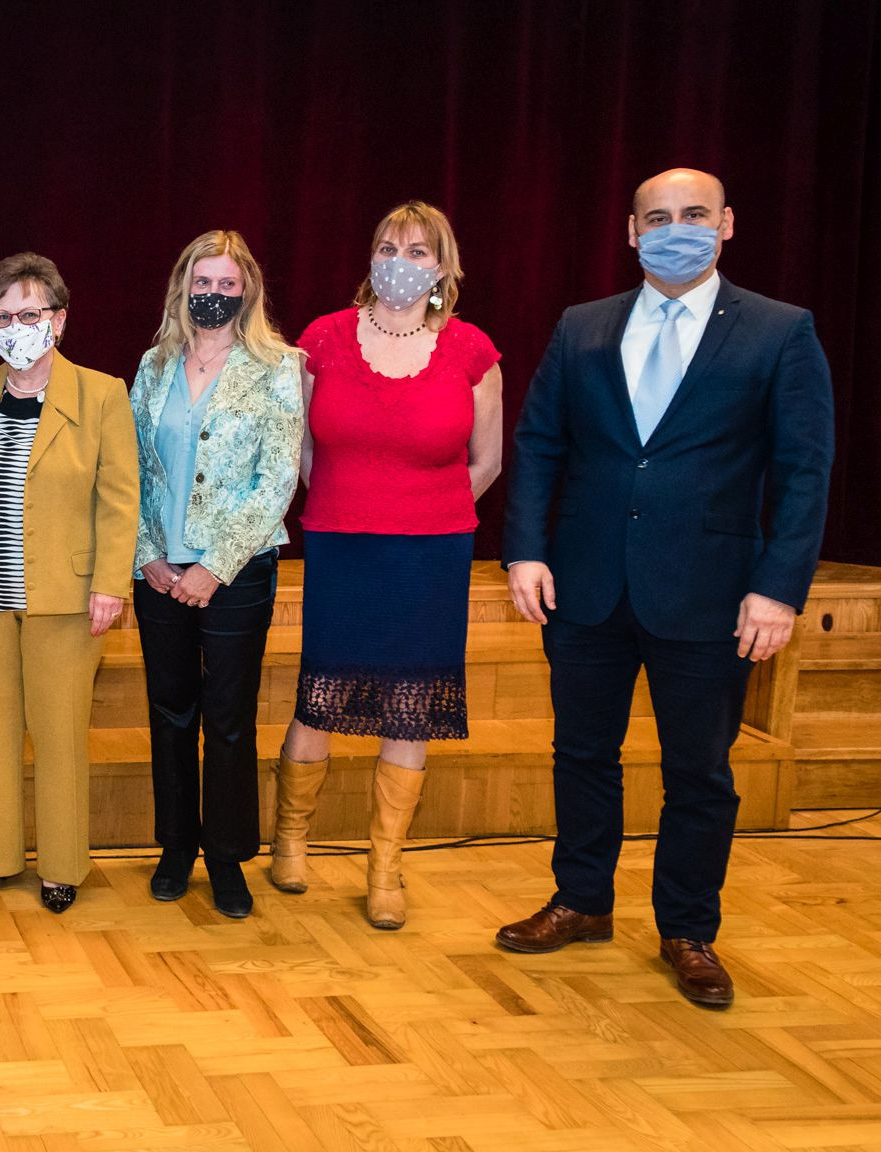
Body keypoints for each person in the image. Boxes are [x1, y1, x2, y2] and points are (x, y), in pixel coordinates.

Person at [495, 169, 833, 1007]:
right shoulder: (582, 326)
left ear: (726, 223)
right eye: (657, 217)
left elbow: (804, 468)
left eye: (693, 214)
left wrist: (779, 588)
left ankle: (687, 928)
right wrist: (524, 552)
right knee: (582, 754)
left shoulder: (780, 330)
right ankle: (581, 900)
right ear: (631, 231)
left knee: (699, 772)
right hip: (585, 586)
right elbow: (538, 444)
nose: (674, 228)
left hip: (712, 593)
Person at [276, 201, 504, 930]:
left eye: (416, 251)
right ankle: (291, 841)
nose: (398, 262)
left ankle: (384, 867)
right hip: (341, 545)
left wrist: (422, 511)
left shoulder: (471, 350)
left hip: (431, 555)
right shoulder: (323, 339)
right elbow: (300, 448)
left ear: (442, 268)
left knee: (413, 702)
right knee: (320, 692)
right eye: (387, 247)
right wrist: (351, 504)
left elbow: (487, 461)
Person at [0, 253, 137, 914]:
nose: (17, 327)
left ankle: (62, 866)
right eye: (4, 316)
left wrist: (110, 583)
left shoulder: (101, 395)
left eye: (30, 314)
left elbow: (119, 499)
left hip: (66, 599)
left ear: (58, 320)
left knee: (59, 730)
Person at [126, 231, 304, 915]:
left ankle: (227, 858)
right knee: (169, 712)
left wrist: (215, 566)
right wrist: (147, 553)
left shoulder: (278, 366)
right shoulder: (154, 365)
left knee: (228, 718)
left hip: (238, 573)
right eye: (203, 282)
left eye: (227, 284)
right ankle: (176, 847)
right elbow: (130, 469)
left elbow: (277, 480)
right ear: (183, 286)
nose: (214, 294)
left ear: (247, 290)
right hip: (158, 571)